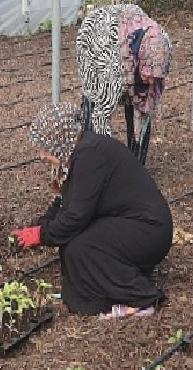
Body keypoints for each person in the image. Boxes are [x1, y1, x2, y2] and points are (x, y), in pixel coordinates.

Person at [12, 103, 173, 319]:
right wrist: (39, 227)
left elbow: (76, 217)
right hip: (132, 224)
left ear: (59, 141)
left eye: (45, 147)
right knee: (75, 245)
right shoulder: (82, 153)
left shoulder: (90, 157)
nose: (42, 155)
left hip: (148, 231)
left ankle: (142, 298)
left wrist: (41, 235)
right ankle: (105, 289)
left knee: (83, 247)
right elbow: (65, 204)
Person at [77, 4, 172, 165]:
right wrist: (110, 164)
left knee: (142, 108)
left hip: (133, 46)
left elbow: (146, 107)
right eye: (149, 74)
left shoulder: (162, 46)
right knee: (93, 107)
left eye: (156, 77)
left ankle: (136, 165)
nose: (152, 80)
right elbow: (101, 116)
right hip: (98, 39)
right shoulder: (112, 68)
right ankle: (93, 164)